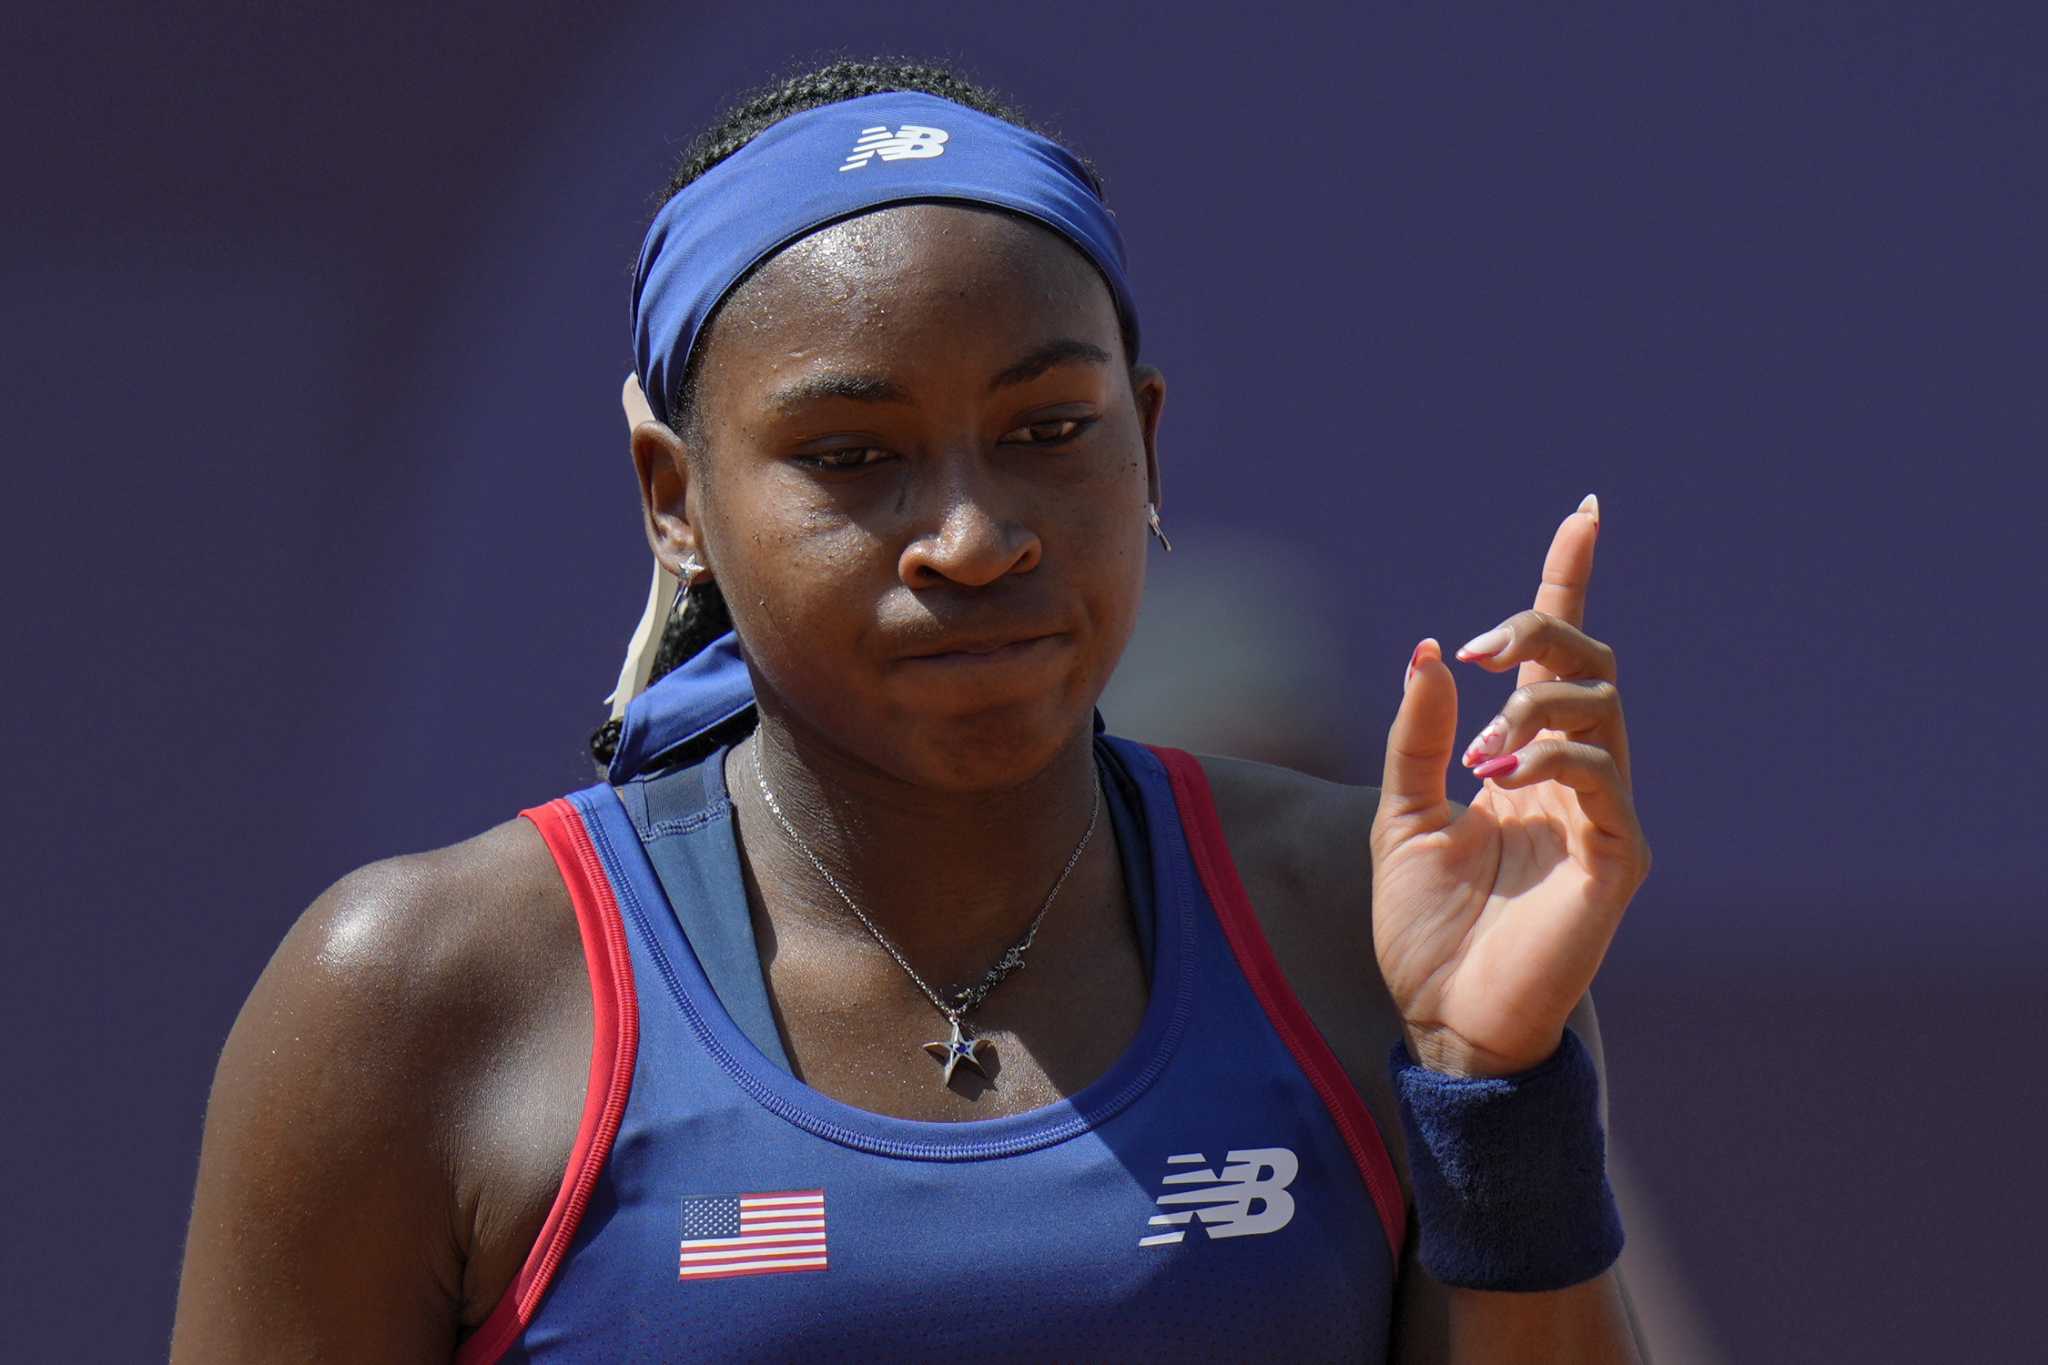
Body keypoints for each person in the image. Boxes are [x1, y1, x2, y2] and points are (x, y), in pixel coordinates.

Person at [172, 60, 1655, 1363]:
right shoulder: (415, 999)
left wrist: (1496, 1087)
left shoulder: (1369, 923)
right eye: (852, 452)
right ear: (674, 496)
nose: (972, 531)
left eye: (1046, 431)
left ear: (1143, 442)